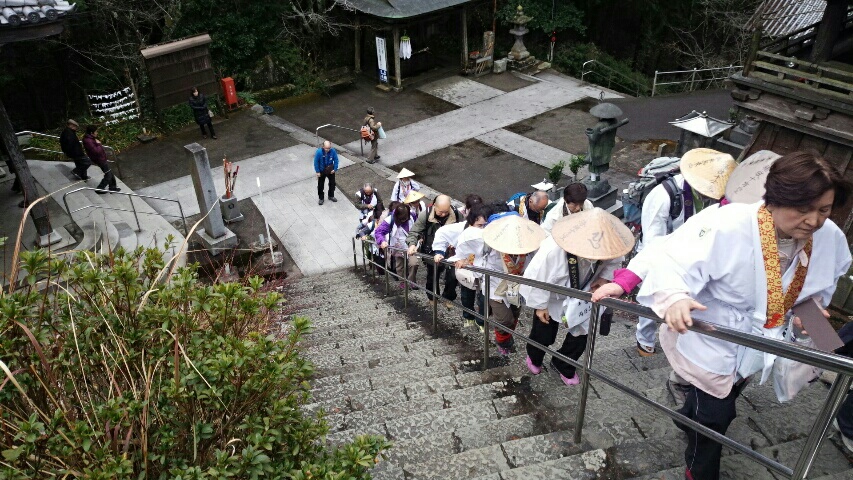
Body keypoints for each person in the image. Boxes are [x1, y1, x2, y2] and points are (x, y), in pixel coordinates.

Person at [634, 151, 851, 480]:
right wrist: (675, 297)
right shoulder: (727, 223)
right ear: (774, 200)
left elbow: (816, 289)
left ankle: (686, 416)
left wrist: (812, 323)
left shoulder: (828, 236)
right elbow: (674, 260)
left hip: (763, 337)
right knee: (717, 415)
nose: (814, 220)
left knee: (732, 390)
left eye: (824, 210)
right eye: (804, 209)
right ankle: (700, 471)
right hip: (713, 331)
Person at [633, 149, 736, 358]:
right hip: (661, 255)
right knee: (653, 299)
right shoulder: (663, 196)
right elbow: (653, 241)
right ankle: (645, 340)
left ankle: (678, 338)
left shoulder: (716, 197)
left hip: (694, 256)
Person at [520, 208, 631, 385]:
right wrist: (540, 306)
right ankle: (535, 357)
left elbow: (616, 260)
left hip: (587, 291)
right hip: (553, 296)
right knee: (543, 333)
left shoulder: (611, 243)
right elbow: (537, 276)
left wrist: (604, 278)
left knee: (582, 334)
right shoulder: (553, 250)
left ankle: (563, 364)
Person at [469, 211, 545, 355]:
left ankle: (507, 337)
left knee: (514, 314)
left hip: (517, 286)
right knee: (505, 319)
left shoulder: (527, 245)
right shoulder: (489, 245)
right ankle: (502, 341)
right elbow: (476, 259)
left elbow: (537, 261)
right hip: (495, 287)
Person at [406, 195, 461, 302]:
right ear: (434, 206)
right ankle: (432, 297)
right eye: (441, 212)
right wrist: (412, 244)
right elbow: (414, 231)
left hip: (451, 253)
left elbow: (465, 231)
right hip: (431, 251)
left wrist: (456, 242)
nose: (443, 214)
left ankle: (448, 297)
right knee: (433, 275)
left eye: (446, 212)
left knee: (452, 277)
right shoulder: (426, 215)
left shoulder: (457, 214)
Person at [448, 203, 495, 328]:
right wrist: (462, 259)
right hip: (469, 267)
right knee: (467, 293)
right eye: (480, 225)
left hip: (486, 269)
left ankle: (481, 322)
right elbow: (461, 251)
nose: (482, 228)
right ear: (472, 222)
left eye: (485, 225)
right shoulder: (468, 234)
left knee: (484, 297)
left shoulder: (492, 233)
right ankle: (468, 316)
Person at [376, 204, 416, 288]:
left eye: (405, 218)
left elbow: (418, 227)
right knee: (399, 267)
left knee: (413, 263)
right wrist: (382, 241)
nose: (404, 220)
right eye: (402, 219)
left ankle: (412, 280)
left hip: (411, 245)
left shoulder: (412, 216)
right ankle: (403, 281)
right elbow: (379, 232)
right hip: (397, 246)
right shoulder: (390, 220)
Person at [81, 125, 120, 194]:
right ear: (91, 133)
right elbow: (96, 151)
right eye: (96, 132)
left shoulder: (90, 139)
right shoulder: (88, 141)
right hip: (99, 159)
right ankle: (100, 188)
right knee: (108, 174)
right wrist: (99, 144)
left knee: (109, 172)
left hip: (100, 158)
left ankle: (112, 187)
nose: (97, 133)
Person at [314, 141, 339, 205]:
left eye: (329, 148)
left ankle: (331, 196)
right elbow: (316, 162)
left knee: (332, 183)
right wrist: (317, 171)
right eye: (326, 148)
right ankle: (321, 198)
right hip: (322, 170)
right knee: (320, 185)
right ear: (323, 147)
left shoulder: (333, 151)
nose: (327, 150)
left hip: (330, 170)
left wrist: (335, 169)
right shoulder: (319, 152)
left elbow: (336, 160)